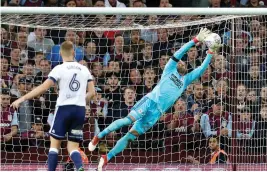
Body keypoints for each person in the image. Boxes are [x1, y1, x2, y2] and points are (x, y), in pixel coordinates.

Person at [87, 28, 222, 170]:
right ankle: (99, 136)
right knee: (128, 120)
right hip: (150, 101)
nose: (182, 63)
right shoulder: (170, 69)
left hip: (156, 113)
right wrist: (195, 40)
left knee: (130, 136)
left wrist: (210, 53)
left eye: (184, 63)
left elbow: (201, 69)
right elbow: (178, 53)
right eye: (180, 62)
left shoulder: (186, 80)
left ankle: (106, 157)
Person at [10, 41, 96, 171]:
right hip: (79, 110)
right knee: (73, 147)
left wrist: (22, 98)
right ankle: (79, 168)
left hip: (64, 109)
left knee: (54, 146)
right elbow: (92, 93)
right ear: (74, 53)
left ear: (60, 53)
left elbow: (43, 87)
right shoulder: (84, 69)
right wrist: (81, 99)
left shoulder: (59, 69)